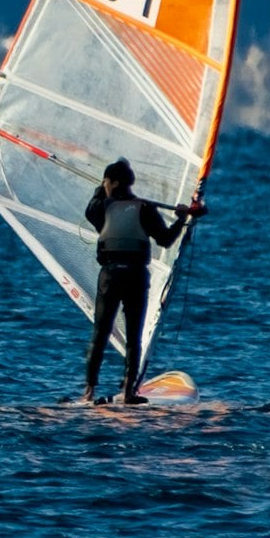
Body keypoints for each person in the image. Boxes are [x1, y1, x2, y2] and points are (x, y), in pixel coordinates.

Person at [81, 159, 197, 405]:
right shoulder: (144, 208)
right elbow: (165, 239)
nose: (103, 186)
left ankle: (88, 392)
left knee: (100, 333)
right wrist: (181, 219)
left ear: (113, 183)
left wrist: (103, 189)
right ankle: (130, 392)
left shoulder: (102, 207)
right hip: (135, 277)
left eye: (105, 182)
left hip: (110, 277)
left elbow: (91, 207)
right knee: (134, 337)